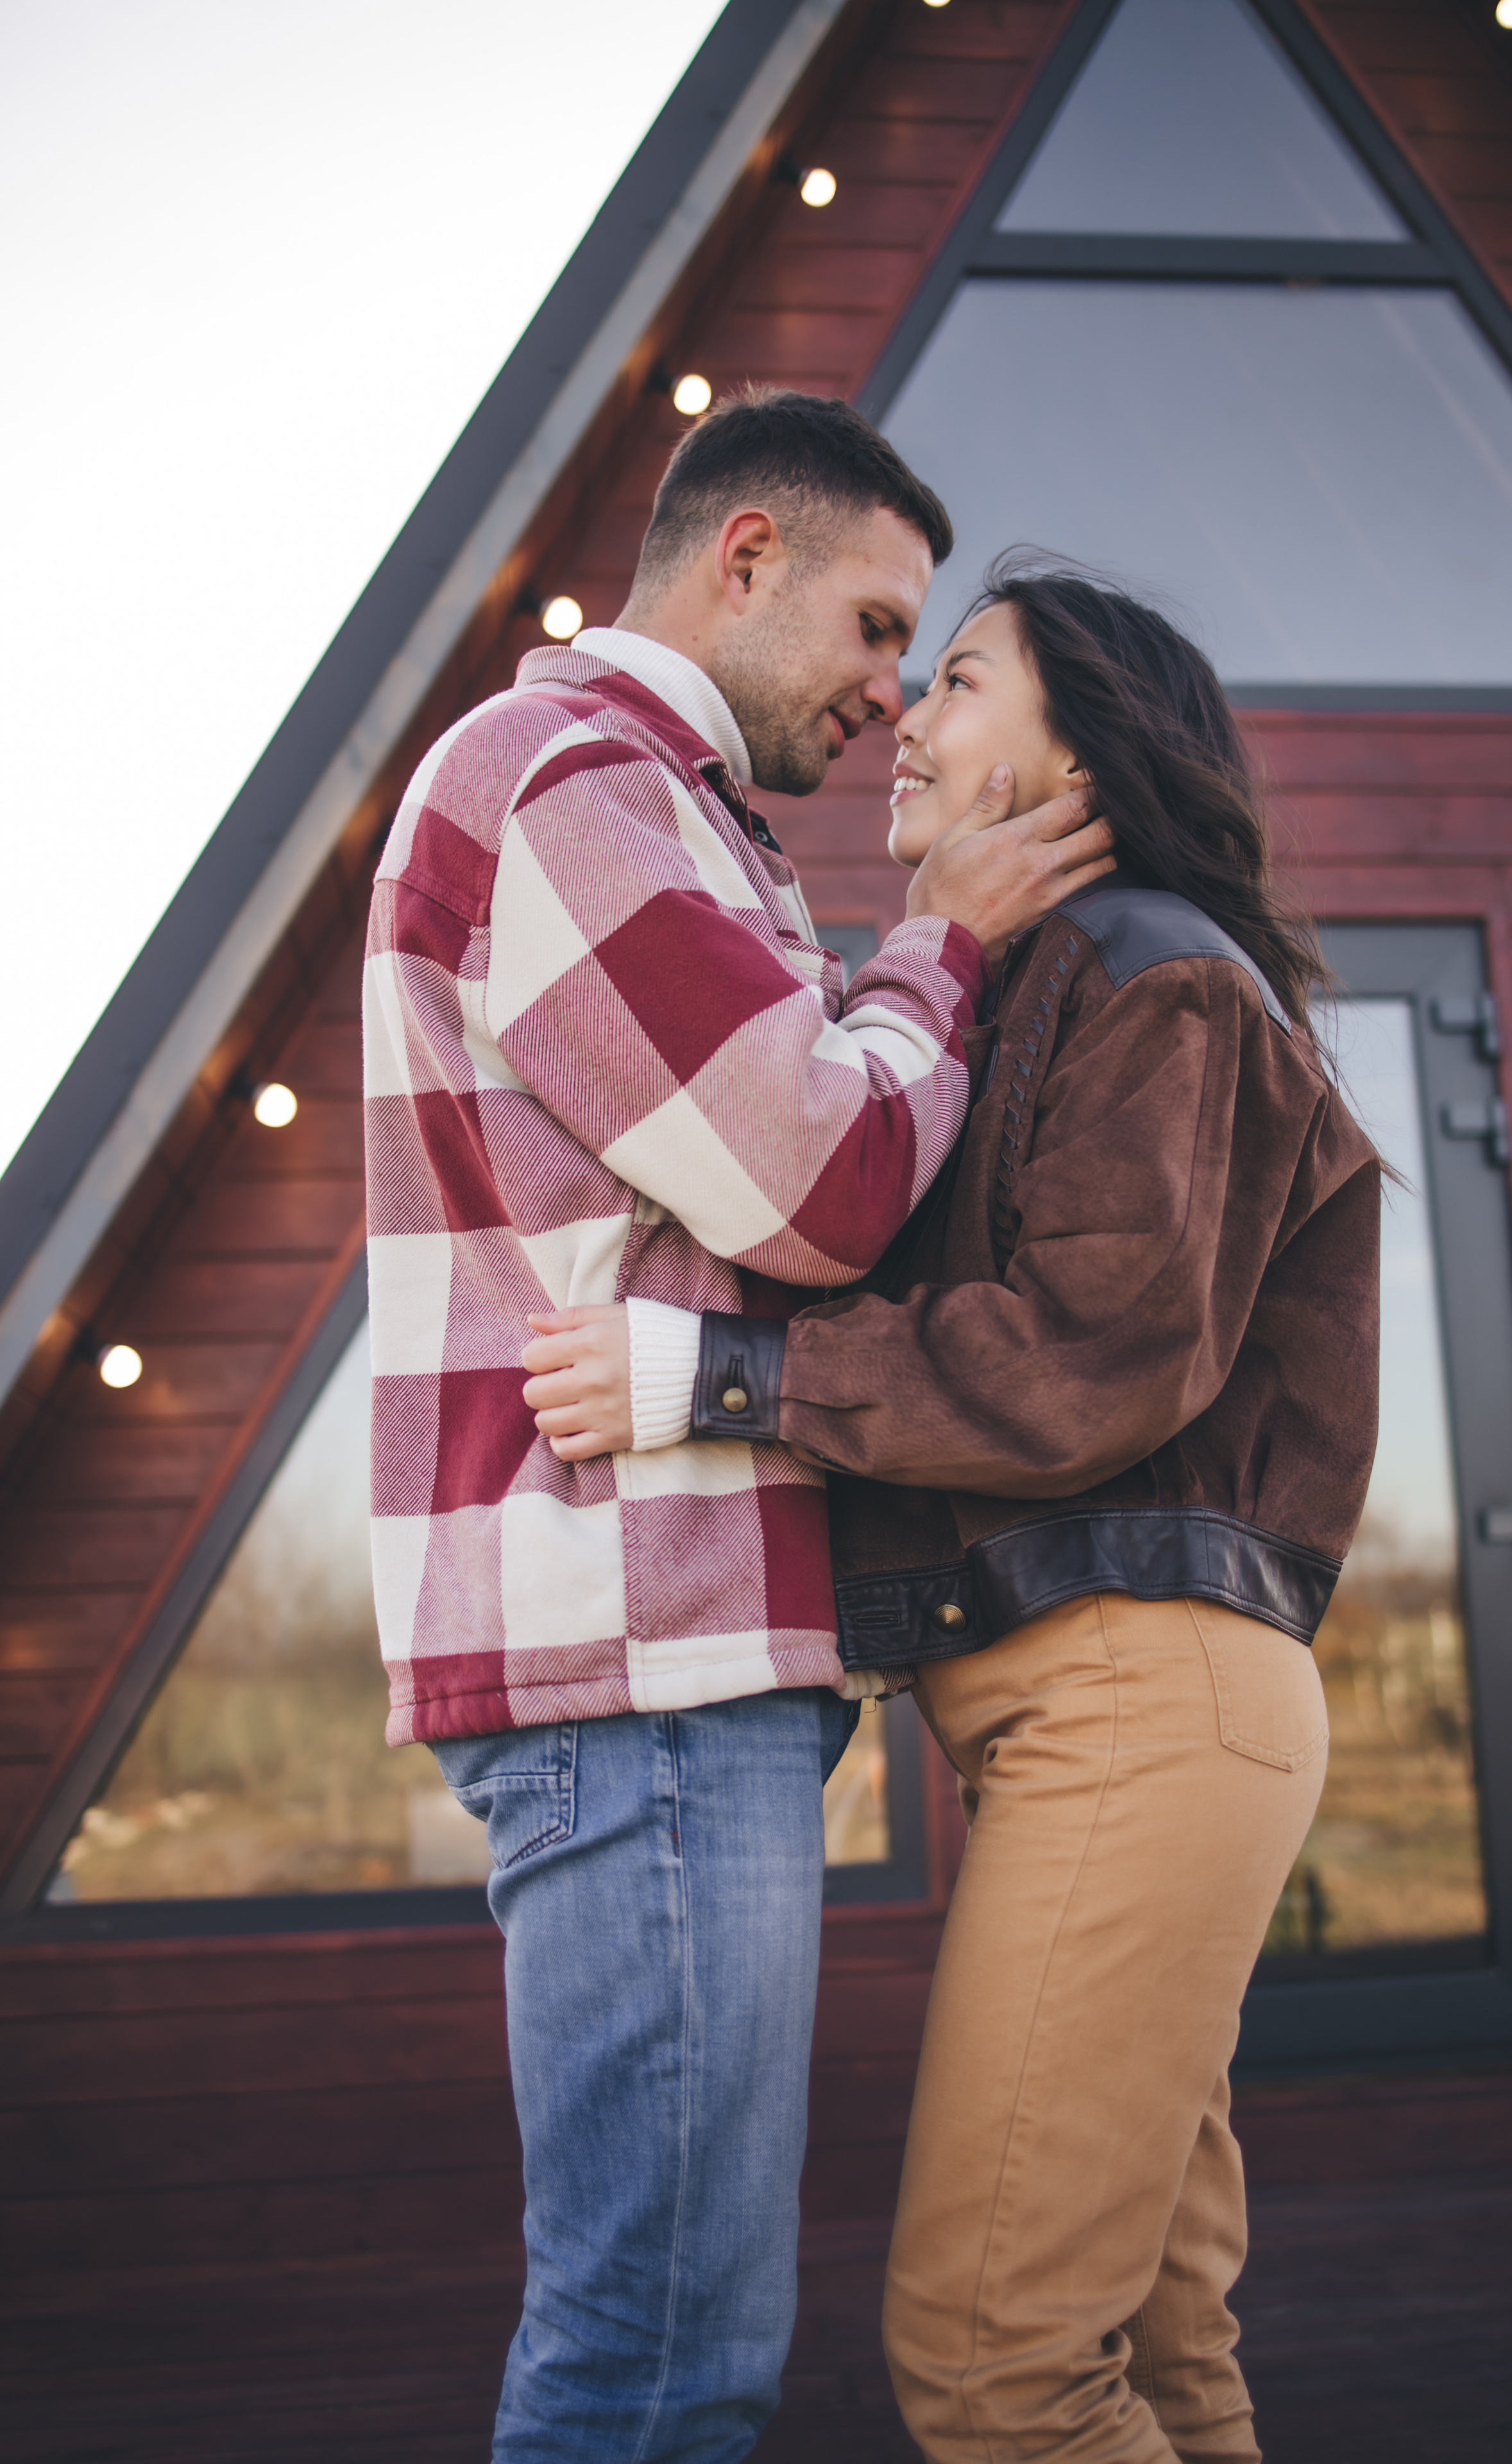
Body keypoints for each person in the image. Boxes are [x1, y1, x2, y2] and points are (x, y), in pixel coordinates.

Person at [528, 557, 1381, 2463]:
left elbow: (1098, 1343)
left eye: (961, 678)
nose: (905, 713)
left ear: (1081, 752)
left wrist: (722, 1384)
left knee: (999, 2372)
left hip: (1147, 1710)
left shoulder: (1154, 972)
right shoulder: (1039, 992)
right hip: (1101, 1718)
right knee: (1158, 2363)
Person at [363, 406, 1111, 2464]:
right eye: (880, 629)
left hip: (667, 1656)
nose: (893, 694)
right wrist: (944, 938)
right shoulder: (566, 784)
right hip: (646, 1649)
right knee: (660, 2367)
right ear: (747, 555)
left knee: (665, 2348)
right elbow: (826, 1178)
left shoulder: (667, 813)